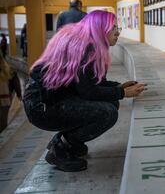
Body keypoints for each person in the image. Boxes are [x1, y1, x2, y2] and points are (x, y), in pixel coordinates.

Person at [23, 10, 146, 172]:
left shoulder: (86, 43)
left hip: (51, 99)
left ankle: (69, 143)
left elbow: (91, 83)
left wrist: (118, 88)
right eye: (113, 27)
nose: (117, 32)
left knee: (111, 102)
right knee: (107, 112)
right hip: (42, 107)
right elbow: (88, 92)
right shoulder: (86, 47)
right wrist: (122, 93)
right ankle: (60, 150)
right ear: (100, 28)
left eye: (118, 27)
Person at [0, 54, 21, 132]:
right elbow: (16, 84)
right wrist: (19, 95)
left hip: (5, 100)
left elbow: (16, 84)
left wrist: (19, 94)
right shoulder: (9, 70)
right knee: (3, 121)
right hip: (6, 100)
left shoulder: (9, 71)